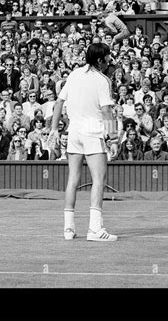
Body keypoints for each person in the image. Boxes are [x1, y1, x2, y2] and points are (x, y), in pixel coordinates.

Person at [50, 43, 118, 242]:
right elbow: (106, 111)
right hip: (92, 132)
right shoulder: (103, 81)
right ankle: (95, 229)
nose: (109, 60)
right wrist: (113, 138)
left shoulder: (74, 74)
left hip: (74, 133)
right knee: (98, 180)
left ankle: (68, 229)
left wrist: (54, 129)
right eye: (107, 57)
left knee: (73, 179)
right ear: (100, 60)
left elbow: (58, 103)